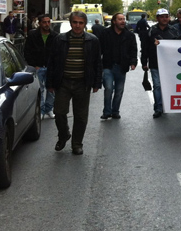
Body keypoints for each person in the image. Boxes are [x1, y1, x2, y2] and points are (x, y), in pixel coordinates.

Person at [46, 11, 103, 155]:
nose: (77, 25)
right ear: (71, 23)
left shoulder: (92, 40)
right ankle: (64, 134)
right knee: (59, 112)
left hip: (82, 83)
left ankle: (77, 144)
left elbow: (97, 63)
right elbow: (52, 62)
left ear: (85, 24)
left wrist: (96, 83)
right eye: (75, 22)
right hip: (63, 82)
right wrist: (50, 83)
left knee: (81, 116)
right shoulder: (60, 39)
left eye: (81, 23)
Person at [99, 13, 138, 120]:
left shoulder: (129, 35)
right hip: (108, 65)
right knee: (108, 88)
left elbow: (133, 50)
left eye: (123, 19)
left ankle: (115, 111)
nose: (123, 21)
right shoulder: (105, 33)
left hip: (122, 66)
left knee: (119, 90)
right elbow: (99, 49)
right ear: (114, 21)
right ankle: (107, 112)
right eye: (120, 19)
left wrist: (133, 62)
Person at [141, 8, 179, 118]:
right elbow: (145, 48)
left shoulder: (174, 31)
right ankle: (158, 107)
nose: (165, 19)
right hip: (155, 63)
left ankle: (167, 105)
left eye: (166, 16)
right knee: (157, 86)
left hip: (170, 64)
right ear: (157, 18)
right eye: (162, 17)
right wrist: (144, 62)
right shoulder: (151, 31)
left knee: (168, 86)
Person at [24, 14, 58, 119]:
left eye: (48, 22)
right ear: (39, 23)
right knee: (40, 89)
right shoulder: (33, 35)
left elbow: (58, 52)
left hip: (51, 67)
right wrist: (34, 65)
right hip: (38, 67)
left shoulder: (55, 36)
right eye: (44, 22)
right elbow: (27, 51)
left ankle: (49, 108)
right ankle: (41, 110)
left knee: (51, 89)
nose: (47, 24)